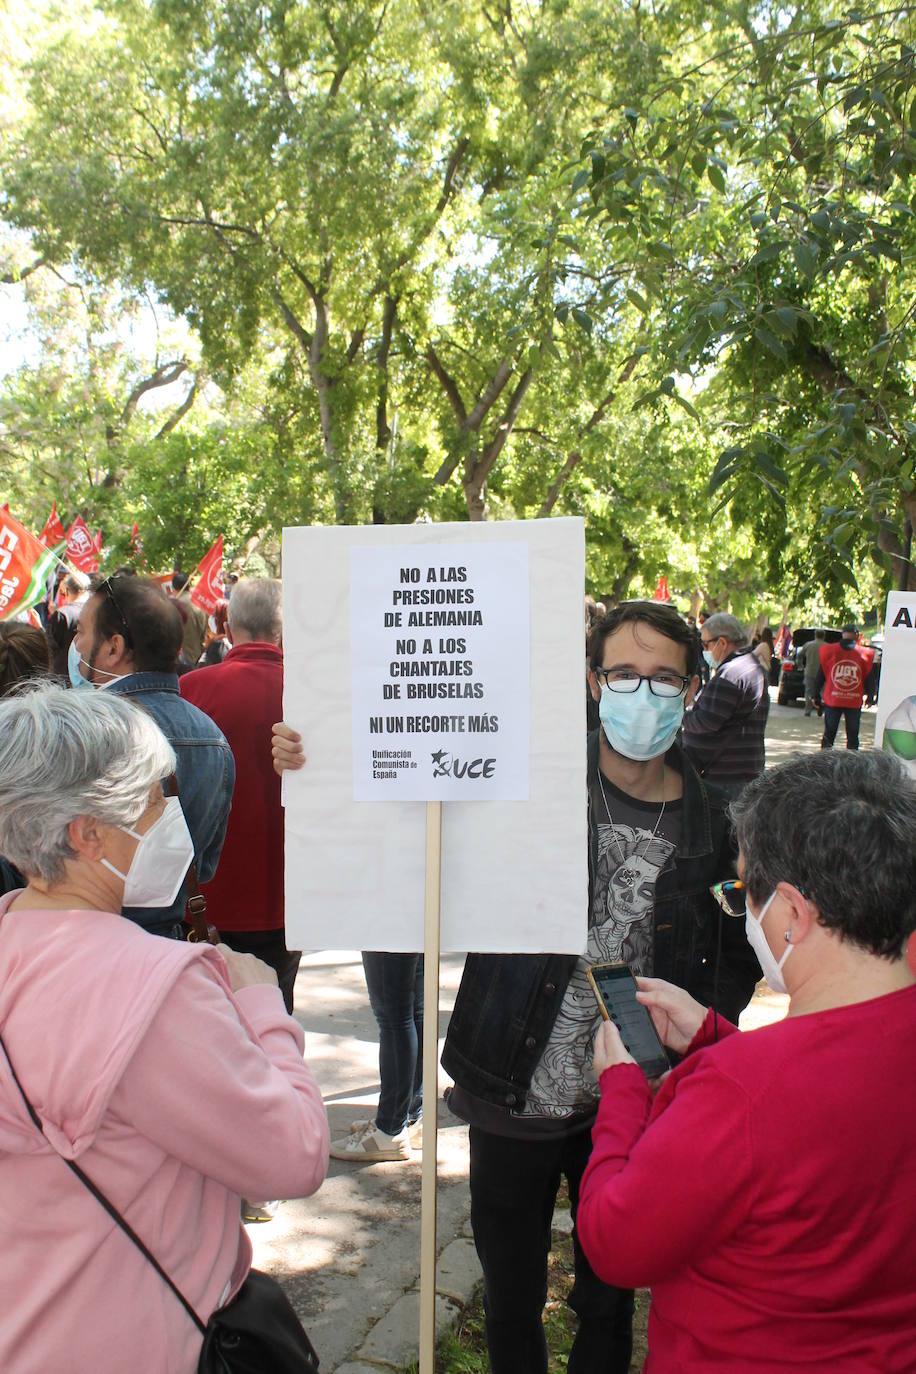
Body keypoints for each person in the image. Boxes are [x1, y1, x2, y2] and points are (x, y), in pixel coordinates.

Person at [438, 601, 760, 1374]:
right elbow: (410, 816)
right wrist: (310, 765)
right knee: (511, 1296)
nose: (642, 694)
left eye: (663, 679)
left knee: (611, 1299)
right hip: (512, 1086)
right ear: (593, 682)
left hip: (637, 1104)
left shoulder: (719, 824)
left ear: (691, 690)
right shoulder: (523, 786)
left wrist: (694, 1038)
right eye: (624, 675)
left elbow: (742, 949)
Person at [0, 685, 329, 1373]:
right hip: (142, 1341)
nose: (170, 818)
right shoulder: (159, 988)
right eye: (152, 799)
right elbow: (294, 1156)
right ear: (87, 834)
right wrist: (262, 1007)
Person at [577, 749, 916, 1373]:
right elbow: (826, 1095)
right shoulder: (759, 1078)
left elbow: (615, 1243)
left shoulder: (738, 1092)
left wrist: (623, 1092)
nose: (745, 912)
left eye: (743, 891)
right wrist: (714, 1037)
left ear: (793, 913)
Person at [271, 722, 423, 1163]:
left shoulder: (382, 743)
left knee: (394, 1014)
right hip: (407, 877)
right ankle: (406, 1115)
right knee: (408, 1008)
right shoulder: (409, 741)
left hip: (386, 883)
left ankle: (391, 1129)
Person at [70, 575, 235, 937]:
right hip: (165, 945)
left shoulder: (80, 731)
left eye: (80, 631)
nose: (75, 644)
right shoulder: (213, 738)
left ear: (113, 648)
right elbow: (204, 867)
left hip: (85, 942)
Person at [180, 579, 301, 1012]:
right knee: (274, 1019)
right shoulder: (310, 695)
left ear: (228, 628)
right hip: (286, 897)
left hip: (206, 899)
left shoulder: (190, 690)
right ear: (283, 631)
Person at [682, 612, 768, 795]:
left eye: (706, 644)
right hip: (742, 772)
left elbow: (706, 721)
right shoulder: (751, 665)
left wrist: (681, 715)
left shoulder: (731, 674)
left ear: (721, 643)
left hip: (725, 779)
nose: (704, 650)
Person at [814, 623, 876, 751]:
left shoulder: (830, 651)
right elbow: (870, 679)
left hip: (833, 699)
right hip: (853, 701)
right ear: (856, 635)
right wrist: (870, 697)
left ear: (843, 634)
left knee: (829, 734)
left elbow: (820, 676)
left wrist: (816, 695)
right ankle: (852, 761)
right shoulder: (864, 653)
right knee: (853, 736)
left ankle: (824, 759)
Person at [169, 570, 207, 665]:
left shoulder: (176, 605)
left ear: (173, 588)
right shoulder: (199, 602)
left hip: (182, 657)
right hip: (198, 654)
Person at [796, 628, 825, 715]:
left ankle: (808, 710)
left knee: (809, 691)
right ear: (824, 636)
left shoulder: (808, 645)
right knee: (822, 691)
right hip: (823, 672)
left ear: (815, 635)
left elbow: (799, 655)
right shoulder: (827, 646)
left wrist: (800, 665)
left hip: (810, 671)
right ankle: (820, 707)